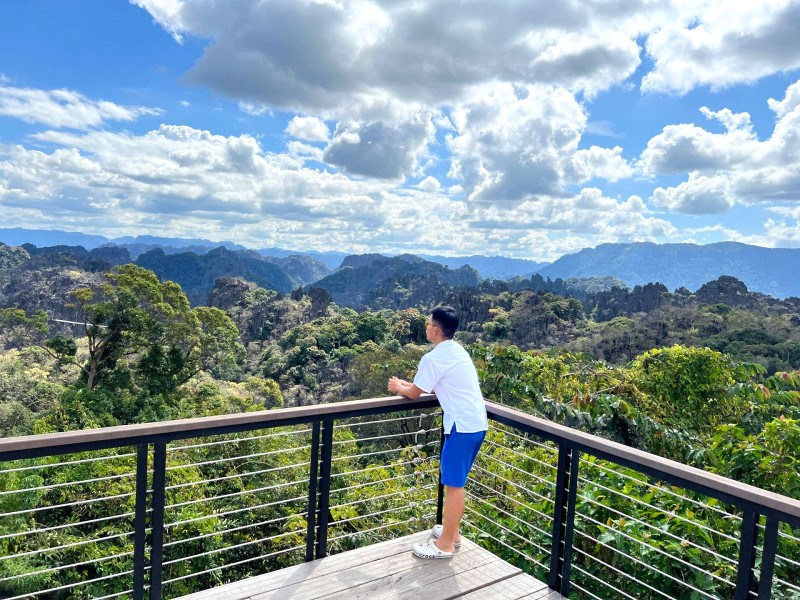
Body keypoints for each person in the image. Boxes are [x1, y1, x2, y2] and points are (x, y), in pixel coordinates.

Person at [387, 305, 488, 559]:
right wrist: (407, 385)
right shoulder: (457, 351)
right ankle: (451, 534)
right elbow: (426, 387)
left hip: (461, 428)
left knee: (454, 485)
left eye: (427, 324)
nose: (426, 328)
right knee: (455, 481)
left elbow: (413, 393)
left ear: (434, 329)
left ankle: (444, 545)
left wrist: (399, 387)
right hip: (476, 423)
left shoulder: (432, 358)